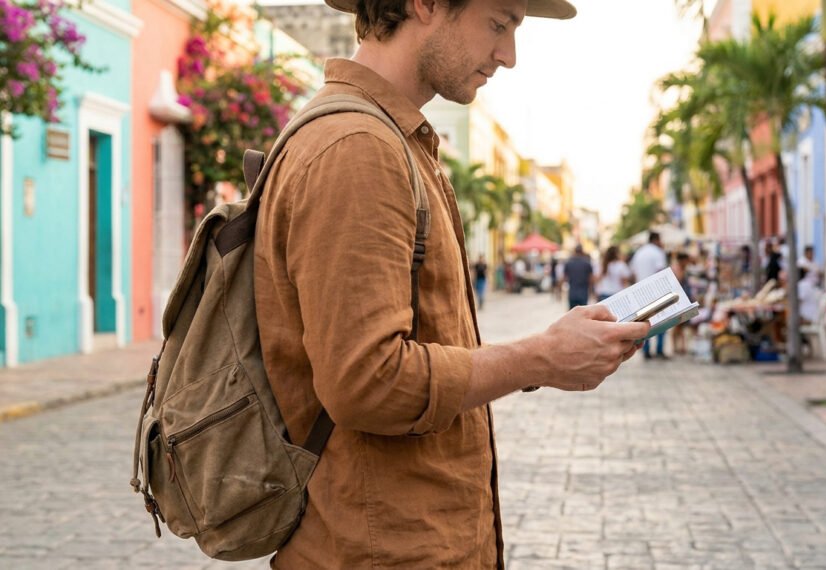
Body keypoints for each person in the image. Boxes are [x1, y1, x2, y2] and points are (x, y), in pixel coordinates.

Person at [252, 1, 649, 567]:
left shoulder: (390, 138)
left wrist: (547, 354)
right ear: (426, 3)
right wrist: (541, 359)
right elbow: (367, 381)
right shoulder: (357, 149)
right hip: (379, 550)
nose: (508, 55)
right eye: (500, 23)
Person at [630, 231, 668, 359]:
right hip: (656, 291)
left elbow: (633, 272)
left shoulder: (639, 252)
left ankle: (645, 349)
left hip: (640, 291)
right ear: (657, 240)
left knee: (645, 321)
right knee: (661, 320)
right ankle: (659, 349)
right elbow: (661, 271)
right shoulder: (658, 252)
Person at [563, 244, 595, 309]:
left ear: (575, 251)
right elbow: (591, 279)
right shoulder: (587, 263)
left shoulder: (569, 263)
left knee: (572, 314)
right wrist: (592, 291)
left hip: (572, 293)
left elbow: (565, 278)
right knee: (583, 313)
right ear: (582, 251)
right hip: (583, 293)